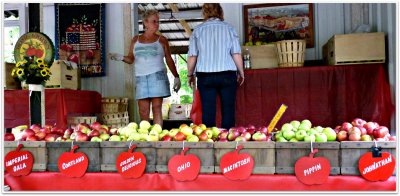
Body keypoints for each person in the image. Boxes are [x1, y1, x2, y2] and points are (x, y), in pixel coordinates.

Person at [109, 9, 180, 127]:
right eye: (154, 21)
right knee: (143, 110)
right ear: (145, 22)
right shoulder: (135, 40)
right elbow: (131, 59)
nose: (157, 24)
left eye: (158, 22)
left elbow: (168, 59)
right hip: (141, 78)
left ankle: (156, 137)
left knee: (157, 108)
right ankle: (145, 137)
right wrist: (120, 57)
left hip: (157, 76)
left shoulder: (162, 40)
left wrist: (176, 76)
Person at [187, 3, 245, 129]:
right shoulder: (229, 28)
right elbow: (236, 53)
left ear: (204, 13)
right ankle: (228, 142)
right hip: (227, 74)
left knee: (208, 112)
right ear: (220, 12)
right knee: (228, 110)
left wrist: (189, 74)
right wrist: (241, 72)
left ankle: (209, 141)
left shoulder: (197, 30)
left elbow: (192, 56)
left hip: (205, 75)